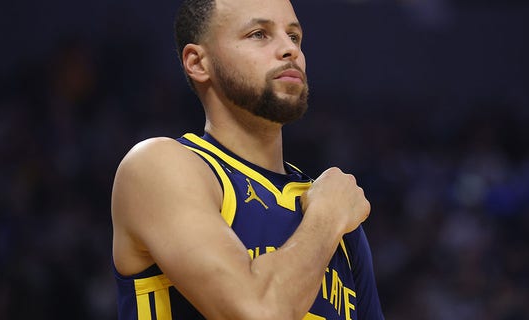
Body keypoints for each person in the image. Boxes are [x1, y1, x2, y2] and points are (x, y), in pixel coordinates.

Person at [111, 0, 385, 319]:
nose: (289, 50)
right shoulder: (158, 166)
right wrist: (326, 218)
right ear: (198, 63)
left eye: (294, 37)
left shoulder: (334, 207)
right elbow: (258, 313)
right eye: (259, 34)